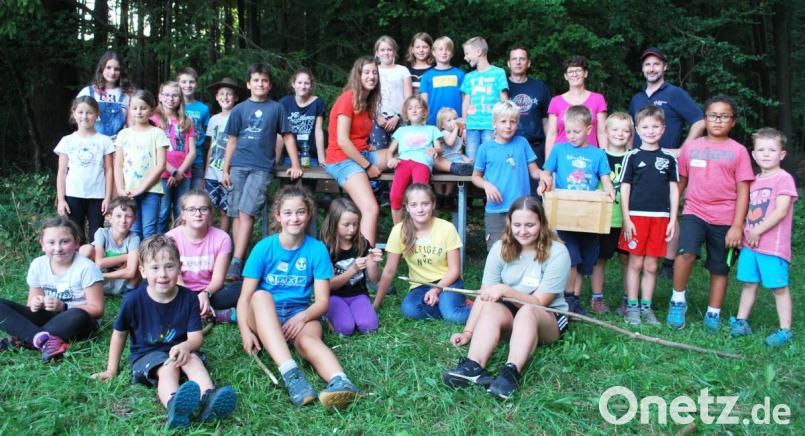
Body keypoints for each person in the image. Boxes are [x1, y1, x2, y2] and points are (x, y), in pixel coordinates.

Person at [92, 235, 237, 429]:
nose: (163, 274)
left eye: (169, 266)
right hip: (146, 356)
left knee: (192, 360)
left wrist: (186, 345)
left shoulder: (189, 298)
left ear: (179, 267)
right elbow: (119, 334)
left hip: (180, 351)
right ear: (143, 271)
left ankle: (208, 398)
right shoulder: (132, 300)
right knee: (167, 368)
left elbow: (195, 338)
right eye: (155, 268)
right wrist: (111, 369)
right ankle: (174, 406)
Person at [236, 185, 360, 409]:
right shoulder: (264, 248)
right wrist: (245, 331)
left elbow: (322, 301)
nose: (294, 218)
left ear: (309, 214)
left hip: (300, 311)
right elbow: (245, 298)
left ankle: (341, 381)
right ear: (278, 216)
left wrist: (302, 317)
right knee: (261, 295)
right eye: (288, 213)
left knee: (308, 341)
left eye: (300, 212)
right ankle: (292, 375)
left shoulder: (317, 249)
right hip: (265, 314)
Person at [443, 196, 570, 400]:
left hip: (547, 317)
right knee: (491, 307)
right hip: (510, 314)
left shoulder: (558, 253)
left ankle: (510, 373)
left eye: (530, 225)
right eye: (517, 224)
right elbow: (483, 297)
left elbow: (539, 303)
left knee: (528, 311)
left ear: (542, 224)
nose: (522, 231)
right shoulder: (500, 248)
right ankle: (473, 366)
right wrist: (468, 332)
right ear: (510, 223)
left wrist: (505, 290)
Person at [670, 95, 754, 331]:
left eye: (724, 116)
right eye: (712, 115)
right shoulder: (692, 148)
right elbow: (680, 183)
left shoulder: (738, 152)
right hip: (694, 212)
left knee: (719, 267)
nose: (718, 120)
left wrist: (737, 225)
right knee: (685, 254)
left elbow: (743, 191)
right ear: (705, 118)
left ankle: (713, 314)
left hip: (726, 218)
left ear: (733, 121)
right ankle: (677, 301)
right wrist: (671, 215)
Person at [221, 63, 303, 281]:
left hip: (261, 168)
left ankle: (236, 263)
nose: (260, 84)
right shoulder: (239, 110)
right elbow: (231, 141)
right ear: (248, 84)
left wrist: (295, 164)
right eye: (256, 80)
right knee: (236, 213)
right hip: (238, 165)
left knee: (247, 213)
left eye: (264, 81)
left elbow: (287, 136)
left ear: (269, 85)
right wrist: (224, 169)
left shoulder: (276, 108)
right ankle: (239, 258)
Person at [629, 47, 705, 278]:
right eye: (647, 65)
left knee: (669, 208)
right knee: (645, 207)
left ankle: (669, 264)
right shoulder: (638, 98)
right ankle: (640, 254)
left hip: (669, 161)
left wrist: (684, 149)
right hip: (643, 161)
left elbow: (699, 121)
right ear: (643, 69)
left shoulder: (674, 94)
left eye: (656, 64)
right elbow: (634, 128)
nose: (651, 69)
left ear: (664, 67)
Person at [539, 105, 615, 315]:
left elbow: (606, 179)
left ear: (589, 130)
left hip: (588, 216)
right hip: (564, 214)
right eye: (569, 131)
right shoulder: (559, 149)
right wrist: (544, 182)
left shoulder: (598, 154)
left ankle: (575, 300)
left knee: (585, 260)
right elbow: (546, 172)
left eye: (577, 131)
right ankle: (566, 299)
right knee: (571, 257)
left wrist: (610, 191)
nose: (571, 136)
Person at [0, 217, 104, 361]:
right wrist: (37, 302)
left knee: (77, 315)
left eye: (65, 241)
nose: (58, 248)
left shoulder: (87, 267)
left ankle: (23, 339)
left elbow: (98, 309)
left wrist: (64, 306)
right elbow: (31, 305)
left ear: (76, 242)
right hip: (48, 316)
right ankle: (42, 340)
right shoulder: (38, 265)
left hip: (78, 320)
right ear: (42, 245)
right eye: (51, 242)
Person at [731, 128, 797, 347]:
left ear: (782, 154)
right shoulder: (754, 181)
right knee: (749, 283)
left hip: (772, 246)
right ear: (754, 154)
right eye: (761, 150)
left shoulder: (783, 179)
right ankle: (741, 322)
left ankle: (785, 330)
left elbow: (780, 211)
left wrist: (757, 231)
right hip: (751, 245)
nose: (766, 154)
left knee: (779, 287)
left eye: (772, 149)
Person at [374, 184, 470, 323]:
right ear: (407, 207)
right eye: (413, 205)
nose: (419, 209)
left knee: (453, 316)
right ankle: (450, 305)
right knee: (409, 309)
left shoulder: (447, 228)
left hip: (449, 281)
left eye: (425, 204)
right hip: (420, 285)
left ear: (433, 204)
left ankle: (471, 309)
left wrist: (436, 290)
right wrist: (376, 304)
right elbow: (389, 270)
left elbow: (454, 270)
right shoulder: (399, 231)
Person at [618, 106, 679, 326]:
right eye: (645, 126)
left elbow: (674, 189)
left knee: (651, 266)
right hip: (636, 217)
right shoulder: (632, 156)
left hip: (660, 218)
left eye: (655, 126)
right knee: (635, 264)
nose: (650, 131)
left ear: (663, 129)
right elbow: (624, 189)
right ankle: (632, 307)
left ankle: (647, 307)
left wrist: (672, 219)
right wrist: (627, 219)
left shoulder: (669, 158)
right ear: (637, 129)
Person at [324, 56, 389, 245]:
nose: (371, 76)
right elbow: (343, 141)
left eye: (374, 72)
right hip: (342, 159)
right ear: (358, 75)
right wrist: (368, 166)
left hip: (362, 154)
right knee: (370, 208)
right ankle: (365, 261)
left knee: (399, 157)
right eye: (367, 72)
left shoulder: (367, 102)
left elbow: (359, 138)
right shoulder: (347, 99)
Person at [472, 101, 540, 250]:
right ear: (494, 123)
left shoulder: (522, 143)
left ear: (517, 124)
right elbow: (475, 176)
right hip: (495, 210)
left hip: (521, 209)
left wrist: (545, 174)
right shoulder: (485, 148)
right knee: (497, 252)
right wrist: (486, 184)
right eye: (503, 121)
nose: (508, 126)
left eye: (512, 122)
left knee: (524, 251)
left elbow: (534, 171)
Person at [166, 190, 240, 324]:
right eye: (191, 209)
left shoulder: (222, 238)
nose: (198, 214)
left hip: (211, 292)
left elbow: (218, 279)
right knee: (152, 288)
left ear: (210, 213)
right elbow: (175, 279)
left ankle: (192, 312)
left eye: (203, 209)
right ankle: (215, 315)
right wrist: (190, 298)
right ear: (183, 213)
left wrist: (205, 294)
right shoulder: (171, 238)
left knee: (242, 288)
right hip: (179, 291)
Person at [55, 96, 115, 244]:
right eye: (80, 112)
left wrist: (108, 198)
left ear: (97, 115)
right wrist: (61, 199)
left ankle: (97, 265)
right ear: (74, 113)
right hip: (73, 194)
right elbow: (62, 172)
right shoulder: (67, 141)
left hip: (98, 195)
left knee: (97, 234)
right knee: (75, 233)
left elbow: (109, 171)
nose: (84, 116)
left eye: (89, 112)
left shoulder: (104, 141)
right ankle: (77, 265)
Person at [320, 198, 383, 335]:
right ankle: (327, 314)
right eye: (346, 225)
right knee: (345, 328)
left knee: (369, 327)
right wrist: (353, 270)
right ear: (334, 223)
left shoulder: (362, 243)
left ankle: (352, 312)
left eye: (355, 224)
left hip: (358, 294)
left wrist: (374, 262)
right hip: (334, 296)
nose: (352, 229)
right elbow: (329, 285)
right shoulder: (325, 248)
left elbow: (374, 279)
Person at [114, 89, 169, 239]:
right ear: (130, 109)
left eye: (143, 108)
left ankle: (148, 261)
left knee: (149, 230)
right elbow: (118, 165)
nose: (139, 112)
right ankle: (134, 261)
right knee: (134, 230)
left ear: (151, 110)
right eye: (135, 108)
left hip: (151, 191)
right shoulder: (123, 134)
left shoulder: (157, 133)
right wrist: (120, 189)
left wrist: (142, 188)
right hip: (129, 191)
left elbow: (161, 165)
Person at [591, 113, 632, 315]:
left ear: (631, 134)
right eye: (615, 129)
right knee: (600, 258)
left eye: (625, 130)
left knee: (627, 260)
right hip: (603, 218)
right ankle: (597, 298)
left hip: (627, 219)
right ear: (605, 132)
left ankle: (628, 298)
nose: (620, 134)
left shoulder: (634, 156)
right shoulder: (598, 155)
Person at [387, 96, 443, 223]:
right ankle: (398, 229)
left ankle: (420, 227)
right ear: (406, 112)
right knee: (395, 195)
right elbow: (390, 151)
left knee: (420, 195)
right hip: (403, 163)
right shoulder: (401, 130)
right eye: (410, 108)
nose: (414, 110)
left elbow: (439, 149)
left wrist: (435, 150)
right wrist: (390, 160)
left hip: (422, 163)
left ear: (424, 111)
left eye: (418, 107)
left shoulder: (432, 129)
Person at [151, 81, 196, 233]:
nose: (171, 99)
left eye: (175, 95)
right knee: (163, 212)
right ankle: (158, 247)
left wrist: (180, 173)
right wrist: (173, 172)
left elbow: (192, 152)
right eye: (167, 95)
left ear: (180, 98)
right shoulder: (153, 120)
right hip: (162, 174)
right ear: (160, 97)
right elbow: (153, 152)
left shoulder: (186, 121)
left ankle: (179, 245)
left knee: (181, 212)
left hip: (184, 174)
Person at [204, 77, 246, 233]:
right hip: (212, 171)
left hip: (229, 172)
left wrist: (227, 170)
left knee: (225, 210)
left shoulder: (240, 117)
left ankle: (223, 240)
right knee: (208, 207)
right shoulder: (213, 119)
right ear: (216, 97)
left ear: (236, 97)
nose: (225, 97)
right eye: (222, 94)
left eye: (229, 94)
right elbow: (212, 146)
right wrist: (206, 171)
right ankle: (206, 239)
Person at [545, 56, 607, 159]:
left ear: (585, 73)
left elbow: (602, 133)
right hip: (562, 158)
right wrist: (548, 164)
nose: (574, 74)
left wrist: (604, 160)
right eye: (570, 71)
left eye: (578, 70)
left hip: (590, 157)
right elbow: (551, 134)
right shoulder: (556, 101)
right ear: (565, 76)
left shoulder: (598, 99)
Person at [80, 196, 141, 296]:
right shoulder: (102, 233)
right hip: (97, 283)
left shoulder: (134, 238)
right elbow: (99, 263)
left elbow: (131, 272)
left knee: (141, 260)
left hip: (118, 282)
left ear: (134, 219)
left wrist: (103, 276)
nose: (123, 220)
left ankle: (128, 293)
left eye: (128, 216)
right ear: (109, 217)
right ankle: (82, 285)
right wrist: (128, 256)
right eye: (118, 216)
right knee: (85, 249)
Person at [461, 36, 508, 160]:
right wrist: (464, 127)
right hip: (472, 127)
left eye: (467, 53)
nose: (465, 57)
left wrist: (501, 125)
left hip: (491, 126)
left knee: (491, 160)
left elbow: (504, 101)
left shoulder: (499, 73)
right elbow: (466, 102)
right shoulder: (469, 77)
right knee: (472, 162)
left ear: (478, 52)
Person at [507, 47, 551, 169]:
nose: (518, 62)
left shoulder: (540, 87)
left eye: (522, 59)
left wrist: (550, 147)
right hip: (508, 146)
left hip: (535, 148)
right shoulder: (501, 87)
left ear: (528, 63)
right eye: (514, 59)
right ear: (509, 63)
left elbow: (546, 121)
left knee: (537, 187)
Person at [278, 69, 326, 168]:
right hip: (290, 156)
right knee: (288, 183)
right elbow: (280, 133)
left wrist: (322, 160)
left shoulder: (318, 103)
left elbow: (318, 132)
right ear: (293, 84)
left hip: (311, 156)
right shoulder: (284, 103)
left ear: (311, 85)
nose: (303, 86)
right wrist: (276, 159)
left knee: (309, 183)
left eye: (306, 83)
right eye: (299, 82)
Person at [77, 51, 131, 139]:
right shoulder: (87, 92)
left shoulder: (127, 95)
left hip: (118, 146)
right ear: (102, 68)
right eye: (108, 67)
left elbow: (131, 125)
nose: (112, 72)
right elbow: (78, 119)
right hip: (92, 144)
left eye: (116, 69)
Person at [372, 35, 412, 150]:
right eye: (382, 50)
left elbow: (408, 98)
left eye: (389, 49)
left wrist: (397, 117)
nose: (386, 53)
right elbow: (368, 97)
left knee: (402, 150)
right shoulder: (373, 70)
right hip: (378, 118)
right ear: (377, 52)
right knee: (380, 151)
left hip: (400, 117)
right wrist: (377, 116)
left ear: (394, 51)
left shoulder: (402, 70)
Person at [177, 67, 211, 189]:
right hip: (178, 158)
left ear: (196, 84)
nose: (188, 85)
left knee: (196, 196)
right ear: (178, 84)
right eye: (184, 82)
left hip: (197, 159)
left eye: (191, 82)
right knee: (180, 200)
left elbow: (208, 138)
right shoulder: (173, 106)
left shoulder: (203, 109)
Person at [420, 36, 465, 126]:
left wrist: (463, 123)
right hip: (432, 122)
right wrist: (423, 121)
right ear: (433, 52)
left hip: (455, 122)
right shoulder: (427, 76)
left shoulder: (460, 74)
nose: (444, 52)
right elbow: (423, 102)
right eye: (440, 49)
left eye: (447, 50)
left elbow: (465, 101)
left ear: (452, 53)